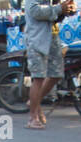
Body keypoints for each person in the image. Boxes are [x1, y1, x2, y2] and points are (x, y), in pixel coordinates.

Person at [24, 0, 75, 129]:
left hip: (53, 37)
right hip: (37, 38)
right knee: (38, 77)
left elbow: (57, 11)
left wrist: (67, 9)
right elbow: (35, 11)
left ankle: (34, 102)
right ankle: (32, 118)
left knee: (56, 74)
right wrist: (59, 8)